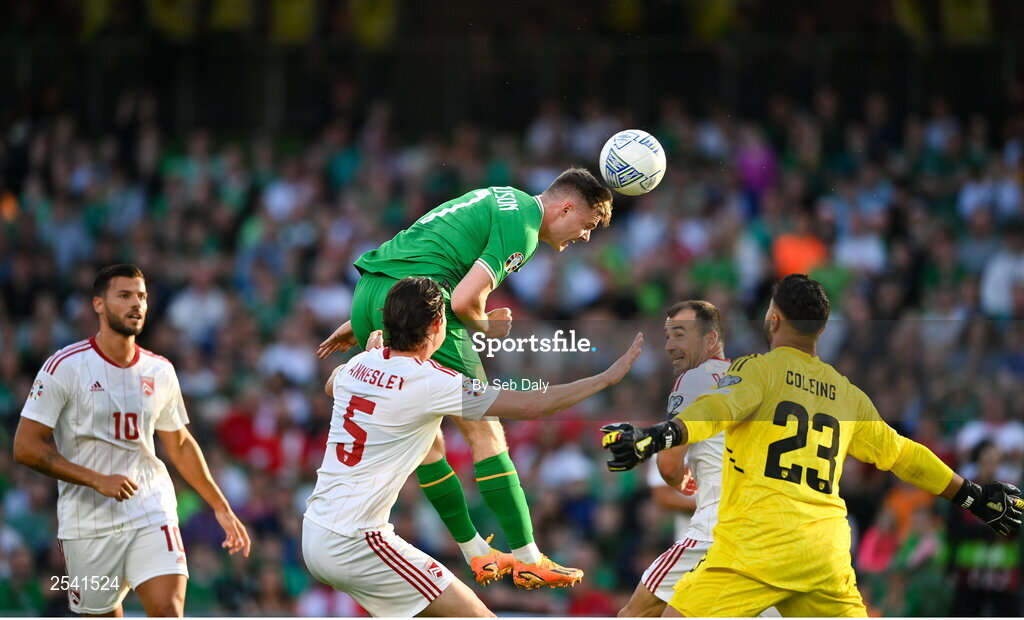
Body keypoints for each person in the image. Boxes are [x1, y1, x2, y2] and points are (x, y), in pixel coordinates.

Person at [601, 274, 1023, 617]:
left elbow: (716, 410)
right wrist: (973, 495)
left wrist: (655, 436)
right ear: (821, 329)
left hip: (755, 546)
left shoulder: (757, 371)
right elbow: (904, 455)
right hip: (824, 554)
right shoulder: (846, 393)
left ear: (773, 321)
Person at [316, 168, 613, 587]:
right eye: (586, 226)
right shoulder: (524, 230)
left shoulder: (502, 196)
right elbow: (463, 300)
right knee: (485, 431)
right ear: (566, 207)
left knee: (426, 439)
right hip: (423, 305)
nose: (583, 238)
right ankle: (528, 556)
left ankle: (477, 552)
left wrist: (363, 316)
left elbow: (428, 245)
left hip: (371, 294)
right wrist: (486, 327)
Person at [302, 277, 642, 616]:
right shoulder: (432, 380)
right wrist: (604, 379)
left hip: (316, 528)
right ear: (437, 325)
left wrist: (373, 353)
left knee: (429, 434)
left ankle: (475, 548)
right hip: (355, 541)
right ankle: (498, 552)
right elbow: (532, 406)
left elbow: (333, 384)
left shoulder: (360, 365)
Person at [13, 264, 251, 617]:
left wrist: (220, 505)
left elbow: (180, 443)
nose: (136, 304)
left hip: (151, 508)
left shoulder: (160, 370)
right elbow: (25, 447)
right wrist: (97, 479)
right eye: (124, 296)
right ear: (98, 304)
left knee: (168, 609)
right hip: (87, 521)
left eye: (141, 296)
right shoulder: (64, 366)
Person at [619, 301, 777, 618]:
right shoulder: (758, 384)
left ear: (710, 340)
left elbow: (667, 465)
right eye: (667, 336)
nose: (669, 346)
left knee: (635, 615)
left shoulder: (695, 380)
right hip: (770, 534)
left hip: (715, 531)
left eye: (679, 335)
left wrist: (680, 478)